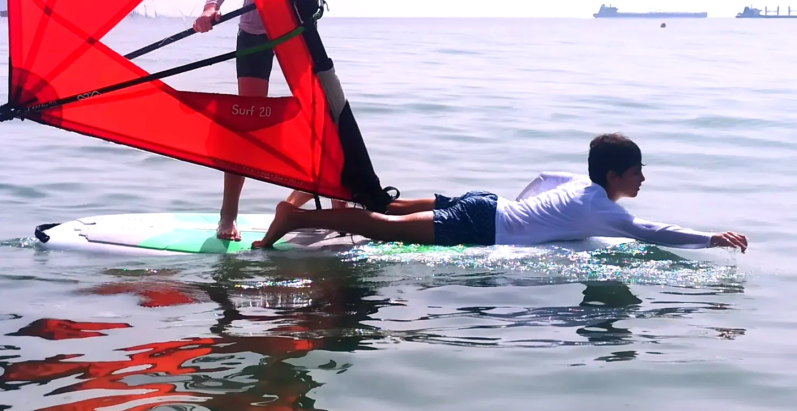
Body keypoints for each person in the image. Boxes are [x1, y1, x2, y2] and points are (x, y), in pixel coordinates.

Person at [193, 0, 346, 241]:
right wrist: (212, 6)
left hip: (297, 34)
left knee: (325, 120)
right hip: (255, 32)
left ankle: (327, 210)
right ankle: (228, 217)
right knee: (248, 123)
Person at [251, 133, 749, 252]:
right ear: (615, 175)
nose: (643, 179)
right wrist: (709, 239)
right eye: (638, 171)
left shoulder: (580, 183)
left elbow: (543, 179)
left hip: (489, 202)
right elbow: (650, 232)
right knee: (389, 229)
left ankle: (338, 196)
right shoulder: (606, 212)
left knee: (390, 205)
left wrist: (525, 211)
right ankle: (294, 220)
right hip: (488, 224)